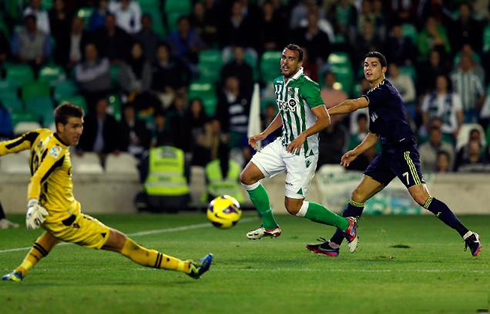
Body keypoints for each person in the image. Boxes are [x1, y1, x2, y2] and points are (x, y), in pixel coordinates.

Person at [0, 103, 212, 282]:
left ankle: (20, 272)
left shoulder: (37, 135)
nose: (79, 131)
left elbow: (6, 147)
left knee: (50, 237)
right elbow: (37, 178)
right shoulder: (58, 153)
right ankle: (188, 268)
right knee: (127, 246)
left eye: (81, 126)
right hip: (67, 220)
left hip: (52, 216)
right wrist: (31, 204)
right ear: (60, 126)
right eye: (74, 127)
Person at [306, 52, 481, 257]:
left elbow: (353, 104)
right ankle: (334, 245)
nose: (368, 68)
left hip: (403, 151)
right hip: (387, 153)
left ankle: (469, 235)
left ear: (384, 70)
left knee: (422, 198)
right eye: (365, 65)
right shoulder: (375, 96)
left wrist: (325, 112)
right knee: (358, 195)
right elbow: (374, 134)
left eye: (373, 65)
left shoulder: (384, 91)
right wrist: (355, 151)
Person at [239, 44, 358, 251]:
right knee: (247, 177)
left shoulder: (307, 86)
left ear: (300, 63)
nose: (285, 62)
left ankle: (345, 224)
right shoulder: (278, 83)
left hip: (303, 152)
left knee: (293, 207)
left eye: (291, 59)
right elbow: (284, 113)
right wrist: (264, 133)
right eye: (283, 57)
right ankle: (269, 226)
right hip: (284, 143)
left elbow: (324, 119)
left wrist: (303, 136)